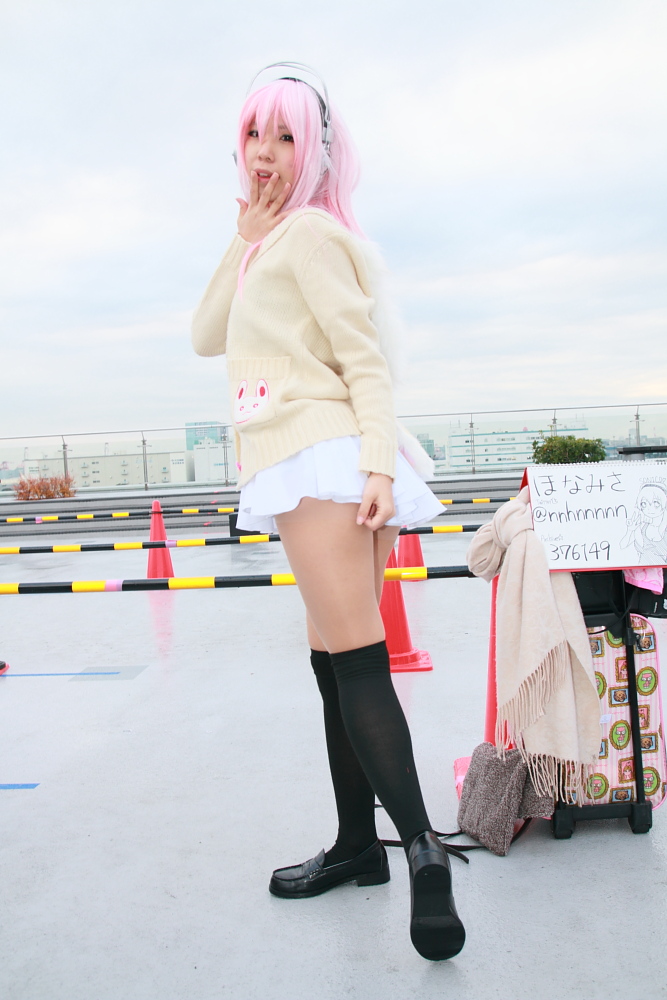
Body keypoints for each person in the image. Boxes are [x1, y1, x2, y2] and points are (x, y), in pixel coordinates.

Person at [191, 63, 465, 962]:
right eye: (253, 135)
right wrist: (241, 240)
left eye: (285, 136)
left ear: (313, 149)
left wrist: (377, 464)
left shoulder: (311, 235)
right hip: (311, 461)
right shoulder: (268, 240)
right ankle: (357, 847)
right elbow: (204, 337)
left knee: (355, 662)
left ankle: (422, 852)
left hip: (324, 461)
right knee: (331, 664)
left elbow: (364, 358)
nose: (265, 153)